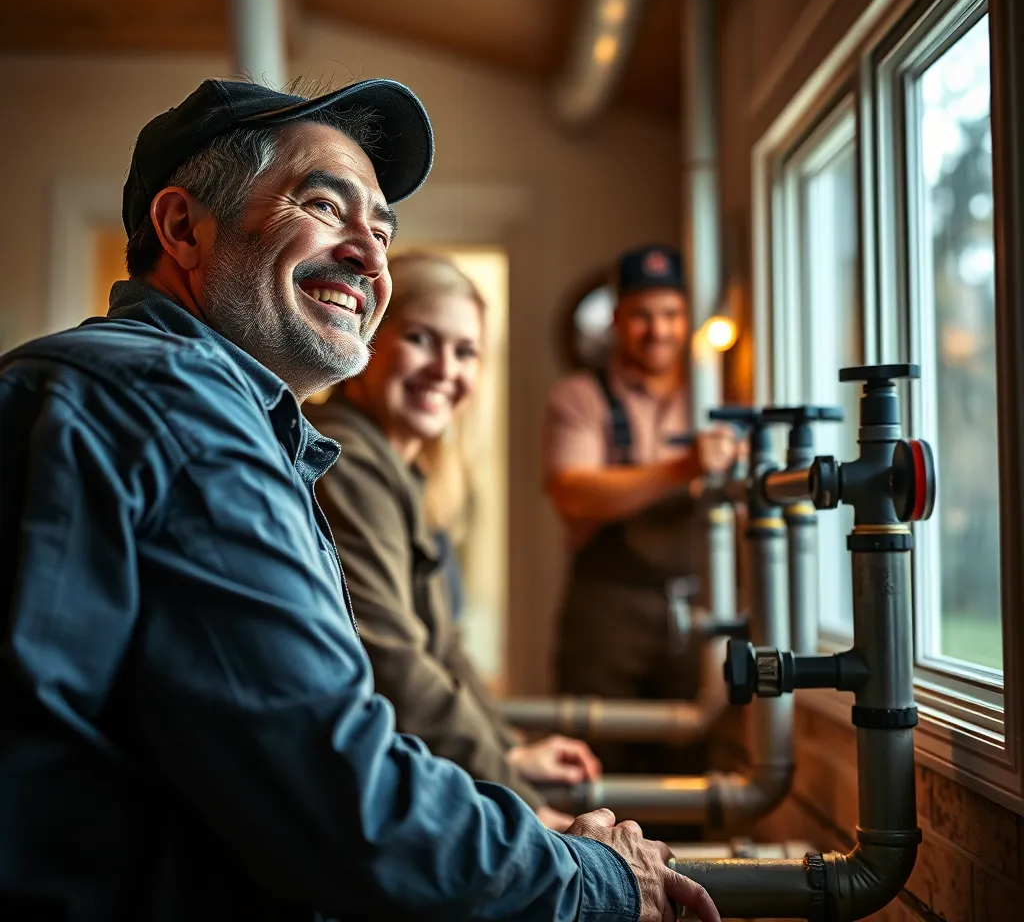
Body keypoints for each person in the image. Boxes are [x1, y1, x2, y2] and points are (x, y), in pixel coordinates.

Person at [0, 78, 720, 922]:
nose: (371, 258)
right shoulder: (180, 405)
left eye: (380, 231)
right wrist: (594, 877)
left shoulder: (160, 394)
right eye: (323, 206)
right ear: (182, 228)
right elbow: (343, 796)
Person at [307, 252, 599, 834]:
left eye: (466, 351)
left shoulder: (404, 471)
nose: (445, 369)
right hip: (357, 798)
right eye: (421, 339)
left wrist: (507, 749)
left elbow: (444, 650)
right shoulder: (345, 460)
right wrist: (526, 804)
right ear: (369, 340)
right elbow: (393, 658)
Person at [544, 244, 742, 779]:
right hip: (607, 611)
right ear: (617, 319)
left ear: (687, 319)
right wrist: (683, 468)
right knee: (596, 766)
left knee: (690, 767)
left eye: (671, 314)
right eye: (642, 316)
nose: (658, 330)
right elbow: (573, 491)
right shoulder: (580, 396)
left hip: (699, 608)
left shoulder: (716, 395)